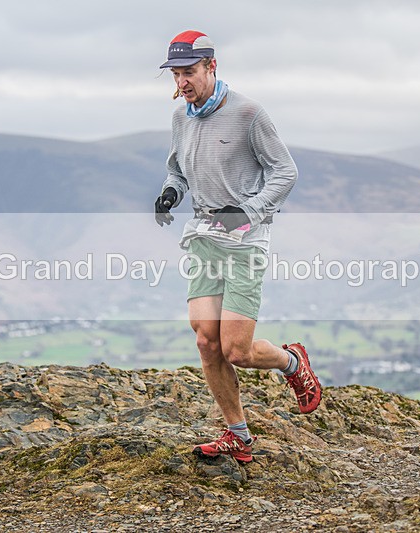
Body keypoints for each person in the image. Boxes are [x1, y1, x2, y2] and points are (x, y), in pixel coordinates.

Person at [155, 30, 322, 464]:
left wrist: (248, 211)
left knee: (236, 350)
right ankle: (238, 434)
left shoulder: (249, 113)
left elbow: (285, 172)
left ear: (212, 66)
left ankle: (291, 362)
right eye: (176, 74)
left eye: (189, 72)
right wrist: (171, 193)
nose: (182, 83)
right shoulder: (181, 117)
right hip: (205, 235)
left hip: (246, 239)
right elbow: (178, 172)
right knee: (206, 342)